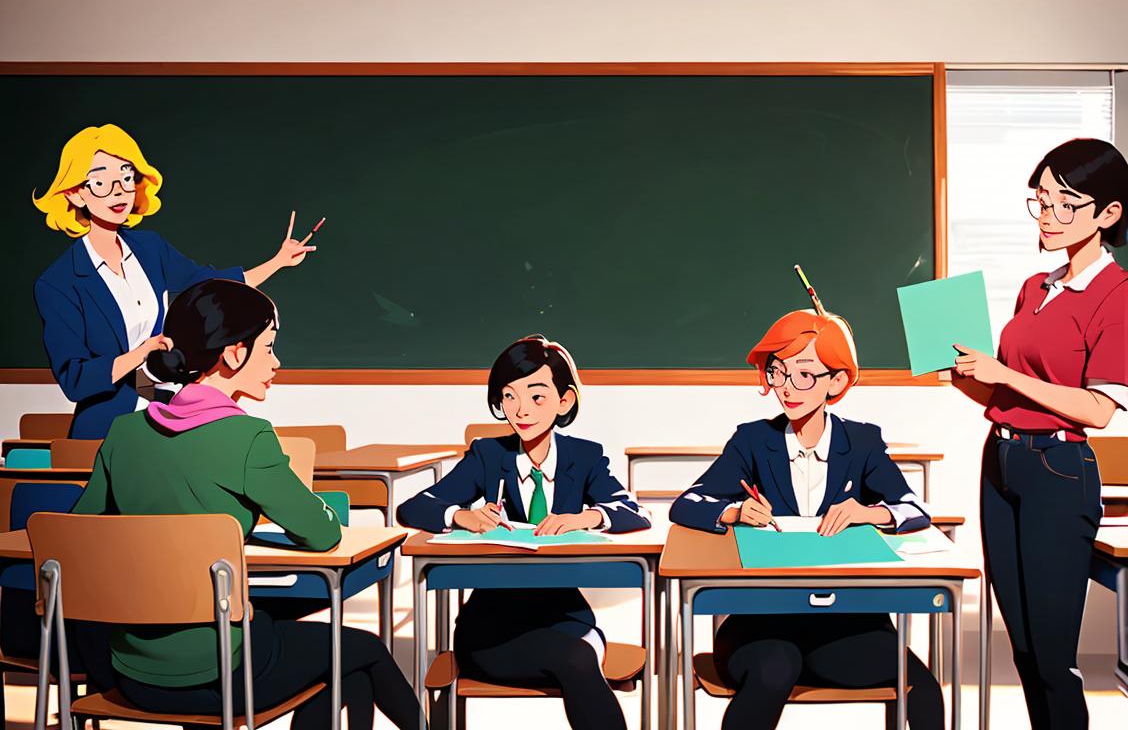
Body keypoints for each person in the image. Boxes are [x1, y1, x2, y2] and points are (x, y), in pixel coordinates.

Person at [71, 278, 420, 729]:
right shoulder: (247, 437)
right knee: (363, 651)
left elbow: (80, 534)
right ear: (233, 354)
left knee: (341, 670)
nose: (276, 362)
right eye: (269, 348)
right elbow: (322, 532)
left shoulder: (123, 433)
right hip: (223, 671)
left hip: (132, 669)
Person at [670, 307, 941, 730]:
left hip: (845, 626)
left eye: (804, 375)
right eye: (778, 373)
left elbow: (915, 508)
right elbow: (687, 502)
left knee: (923, 686)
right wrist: (734, 510)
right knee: (775, 668)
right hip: (760, 622)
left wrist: (868, 512)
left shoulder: (863, 441)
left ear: (836, 381)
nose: (788, 388)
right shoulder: (753, 440)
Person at [952, 138, 1128, 729]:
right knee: (1023, 646)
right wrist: (964, 376)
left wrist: (1003, 374)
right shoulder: (1035, 287)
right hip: (1000, 463)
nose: (1048, 217)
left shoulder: (1116, 296)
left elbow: (1098, 410)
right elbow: (1006, 395)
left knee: (1053, 655)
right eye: (1041, 201)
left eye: (1065, 204)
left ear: (1108, 214)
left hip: (1059, 471)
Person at [397, 335, 650, 730]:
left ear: (564, 401)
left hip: (566, 617)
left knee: (578, 657)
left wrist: (587, 517)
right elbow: (412, 507)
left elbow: (633, 510)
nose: (521, 410)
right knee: (576, 661)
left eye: (536, 397)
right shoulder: (488, 454)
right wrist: (460, 514)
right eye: (509, 397)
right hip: (492, 626)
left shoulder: (584, 456)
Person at [33, 124, 315, 439]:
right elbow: (76, 380)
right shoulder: (59, 282)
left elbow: (213, 285)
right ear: (75, 192)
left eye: (126, 178)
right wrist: (140, 353)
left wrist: (277, 262)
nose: (118, 191)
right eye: (100, 182)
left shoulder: (149, 248)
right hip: (107, 427)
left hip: (166, 409)